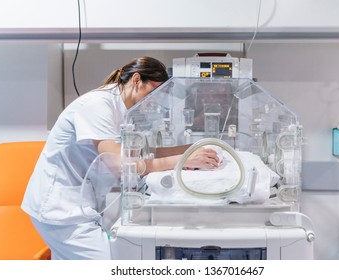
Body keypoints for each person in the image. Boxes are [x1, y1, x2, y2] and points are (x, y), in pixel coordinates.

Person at [21, 56, 220, 260]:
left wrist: (192, 149)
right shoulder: (97, 105)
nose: (153, 101)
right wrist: (183, 161)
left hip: (78, 203)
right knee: (111, 264)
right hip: (59, 208)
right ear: (136, 80)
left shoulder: (123, 109)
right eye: (153, 93)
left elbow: (142, 153)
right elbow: (120, 164)